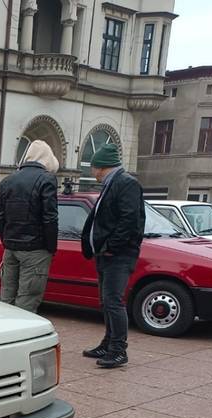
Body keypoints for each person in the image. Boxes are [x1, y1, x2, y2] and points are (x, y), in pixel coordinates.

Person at [80, 143, 145, 369]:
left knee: (113, 301)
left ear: (100, 167)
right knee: (106, 301)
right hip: (107, 253)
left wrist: (111, 246)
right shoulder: (113, 184)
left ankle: (118, 350)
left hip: (118, 254)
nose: (91, 172)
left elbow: (130, 220)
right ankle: (108, 343)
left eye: (92, 167)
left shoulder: (126, 184)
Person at [0, 140, 60, 313]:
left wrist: (6, 241)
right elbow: (50, 218)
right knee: (27, 302)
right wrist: (51, 247)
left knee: (6, 299)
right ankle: (22, 338)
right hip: (35, 249)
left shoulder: (8, 181)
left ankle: (5, 337)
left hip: (11, 248)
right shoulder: (47, 179)